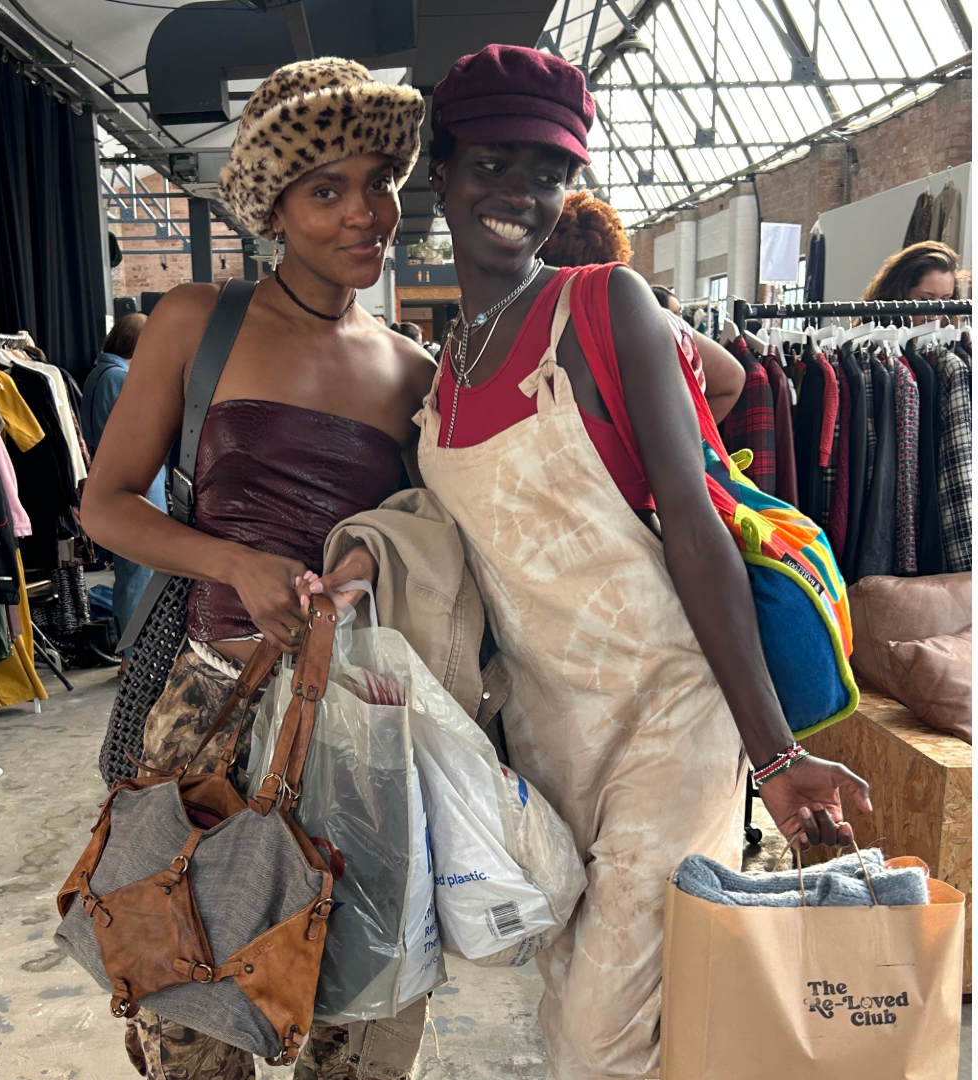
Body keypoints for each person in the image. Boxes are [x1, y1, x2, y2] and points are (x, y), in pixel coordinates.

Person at [304, 45, 872, 1080]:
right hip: (547, 732)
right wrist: (363, 563)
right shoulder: (446, 362)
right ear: (442, 172)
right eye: (491, 164)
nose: (519, 192)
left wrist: (775, 754)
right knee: (598, 998)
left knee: (593, 1034)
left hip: (672, 717)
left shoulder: (605, 306)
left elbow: (696, 528)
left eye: (547, 171)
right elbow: (458, 533)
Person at [81, 57, 433, 1080]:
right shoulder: (198, 321)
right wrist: (235, 556)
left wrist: (371, 555)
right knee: (186, 992)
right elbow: (106, 506)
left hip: (352, 716)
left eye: (381, 182)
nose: (365, 212)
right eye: (327, 189)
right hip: (202, 704)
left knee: (358, 1008)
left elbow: (427, 532)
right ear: (272, 205)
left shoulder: (415, 370)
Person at [543, 192, 744, 421]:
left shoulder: (544, 327)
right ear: (615, 254)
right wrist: (691, 440)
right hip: (662, 451)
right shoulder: (661, 322)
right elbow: (732, 380)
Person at [80, 313, 163, 661]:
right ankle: (135, 655)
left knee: (133, 572)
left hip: (118, 480)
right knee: (139, 573)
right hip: (136, 483)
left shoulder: (98, 374)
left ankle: (131, 653)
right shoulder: (118, 378)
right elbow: (140, 432)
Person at [863, 239, 962, 322]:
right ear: (898, 295)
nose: (935, 314)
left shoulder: (958, 342)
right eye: (925, 299)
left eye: (944, 300)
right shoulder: (868, 342)